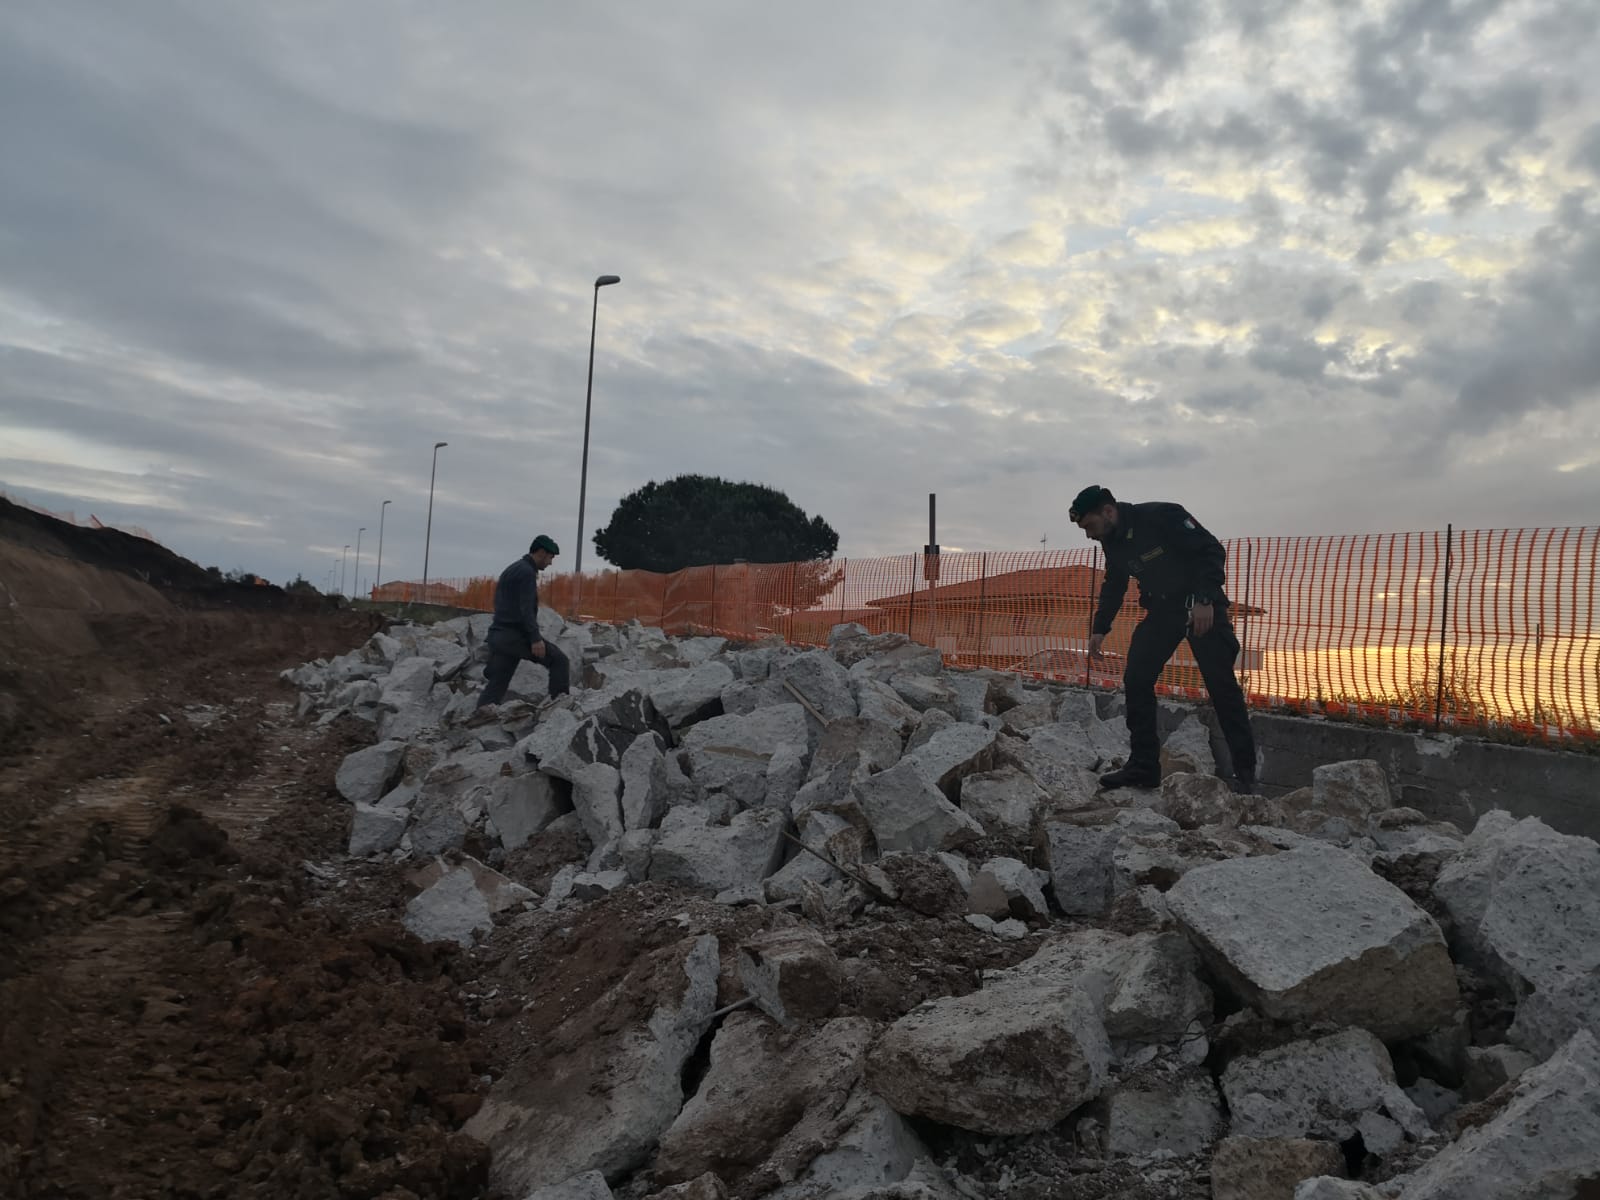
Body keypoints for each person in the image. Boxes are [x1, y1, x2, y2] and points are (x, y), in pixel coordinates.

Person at [1070, 484, 1257, 793]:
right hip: (1162, 612)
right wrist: (1100, 628)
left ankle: (1246, 774)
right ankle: (1143, 767)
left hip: (1201, 607)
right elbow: (1114, 583)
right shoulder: (1111, 540)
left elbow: (1211, 550)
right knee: (1137, 678)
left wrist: (1205, 599)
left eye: (1089, 525)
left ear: (1108, 511)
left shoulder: (1161, 515)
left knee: (1221, 686)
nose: (1089, 535)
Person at [476, 534, 570, 708]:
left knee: (498, 683)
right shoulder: (527, 573)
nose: (550, 563)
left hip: (500, 636)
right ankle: (560, 710)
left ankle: (479, 718)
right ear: (541, 552)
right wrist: (535, 638)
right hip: (514, 636)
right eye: (550, 557)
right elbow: (526, 609)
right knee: (559, 661)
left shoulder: (513, 568)